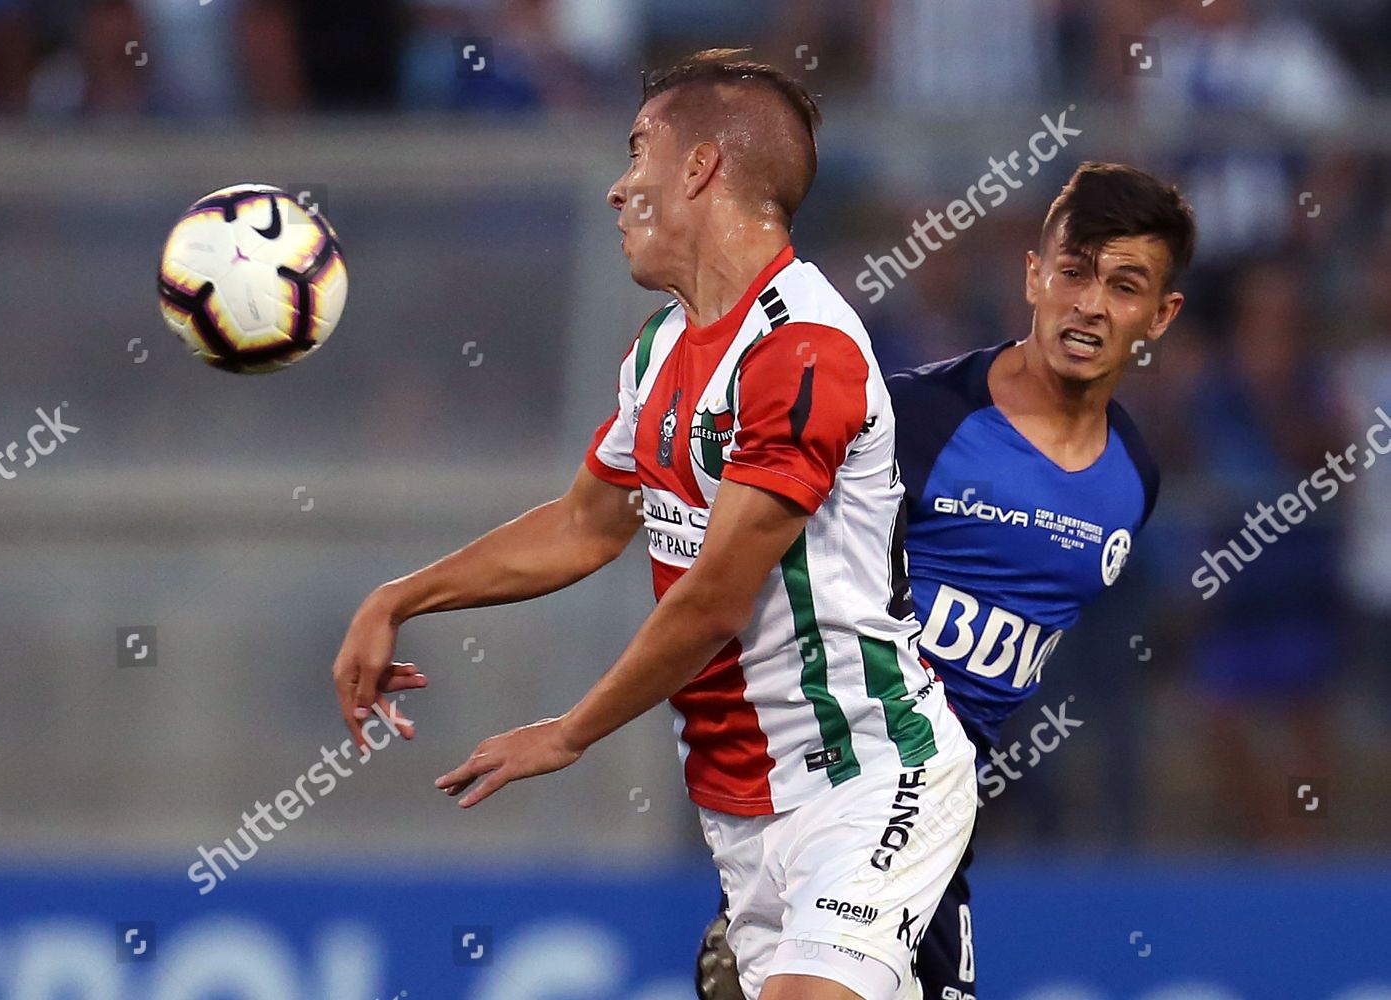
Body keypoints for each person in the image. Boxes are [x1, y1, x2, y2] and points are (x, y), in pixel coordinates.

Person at [330, 48, 976, 1000]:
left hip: (868, 775)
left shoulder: (803, 351)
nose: (617, 188)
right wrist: (403, 596)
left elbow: (717, 596)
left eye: (639, 152)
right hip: (739, 809)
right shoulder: (663, 347)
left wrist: (570, 732)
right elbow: (587, 524)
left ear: (702, 168)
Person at [697, 162, 1196, 999]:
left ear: (1161, 315)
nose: (1091, 305)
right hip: (849, 805)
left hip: (943, 819)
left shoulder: (1134, 480)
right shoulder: (910, 420)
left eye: (1125, 285)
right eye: (1073, 272)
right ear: (1034, 276)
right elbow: (757, 567)